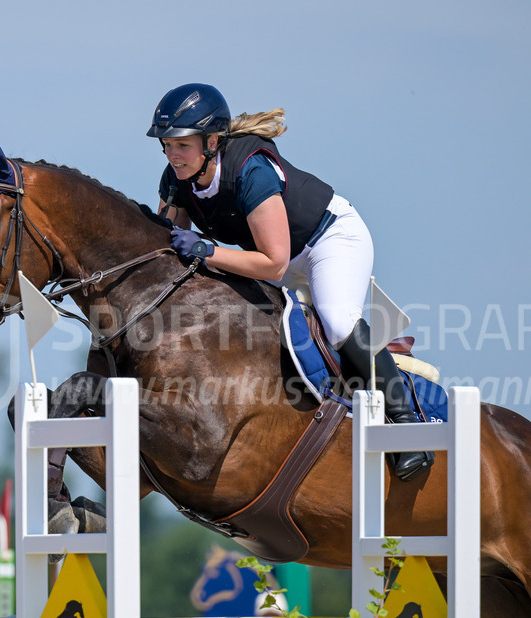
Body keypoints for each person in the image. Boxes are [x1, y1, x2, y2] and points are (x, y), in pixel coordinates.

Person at [147, 83, 433, 481]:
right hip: (276, 255)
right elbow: (170, 246)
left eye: (182, 145)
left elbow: (273, 263)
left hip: (328, 241)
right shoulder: (177, 178)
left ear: (212, 141)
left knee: (336, 320)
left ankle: (407, 425)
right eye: (167, 145)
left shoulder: (251, 170)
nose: (172, 154)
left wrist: (208, 251)